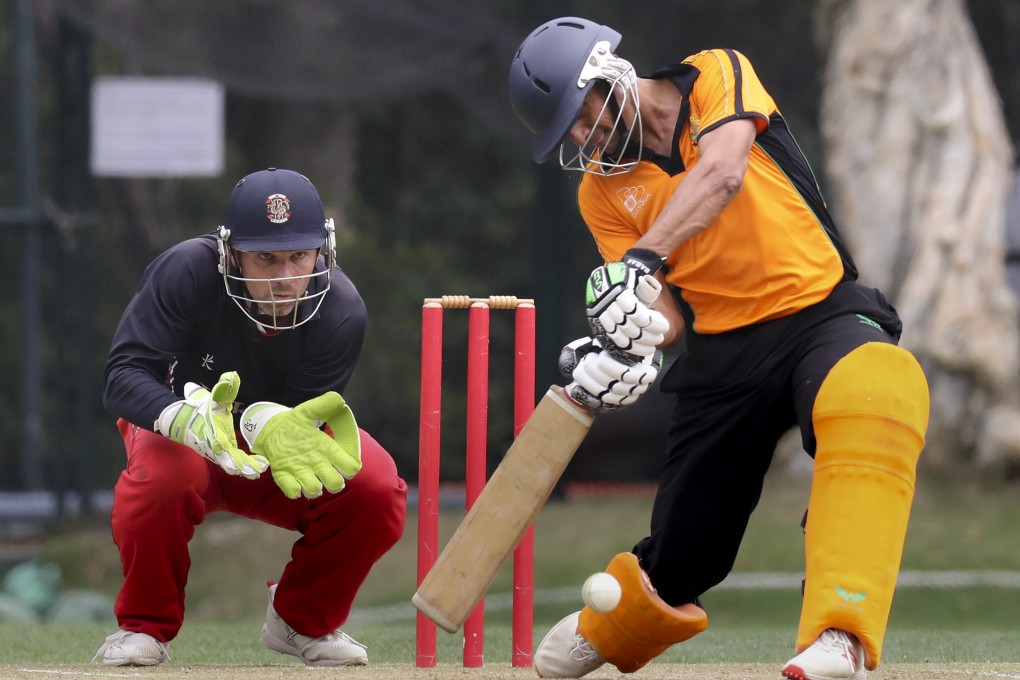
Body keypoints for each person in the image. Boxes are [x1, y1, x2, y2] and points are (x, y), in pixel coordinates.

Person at [508, 17, 930, 680]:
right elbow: (669, 317)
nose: (584, 139)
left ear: (605, 72)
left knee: (878, 386)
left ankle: (838, 635)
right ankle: (616, 622)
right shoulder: (601, 194)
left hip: (818, 311)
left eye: (581, 117)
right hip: (723, 357)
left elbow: (724, 174)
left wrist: (642, 262)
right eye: (570, 136)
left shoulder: (712, 74)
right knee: (685, 552)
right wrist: (627, 337)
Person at [92, 167, 408, 667]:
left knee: (375, 488)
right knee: (161, 478)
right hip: (181, 434)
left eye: (298, 256)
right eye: (265, 258)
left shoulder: (342, 310)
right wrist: (180, 418)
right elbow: (123, 375)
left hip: (271, 444)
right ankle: (144, 628)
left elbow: (299, 421)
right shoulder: (186, 272)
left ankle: (301, 620)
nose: (285, 277)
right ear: (229, 251)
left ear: (322, 250)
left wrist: (269, 424)